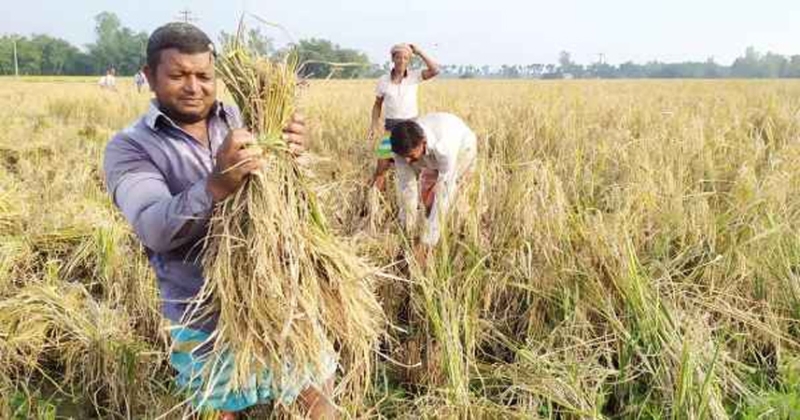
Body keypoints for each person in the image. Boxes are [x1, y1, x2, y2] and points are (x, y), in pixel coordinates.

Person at [103, 22, 336, 420]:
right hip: (203, 314)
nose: (194, 86)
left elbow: (291, 201)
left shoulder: (249, 119)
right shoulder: (129, 147)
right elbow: (153, 227)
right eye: (178, 75)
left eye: (204, 75)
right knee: (216, 413)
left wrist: (292, 158)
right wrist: (215, 185)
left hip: (283, 301)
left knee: (317, 400)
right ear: (149, 77)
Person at [389, 113, 477, 263]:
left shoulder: (444, 146)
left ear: (423, 142)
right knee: (428, 197)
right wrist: (406, 229)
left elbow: (445, 193)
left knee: (454, 195)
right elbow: (407, 187)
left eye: (410, 156)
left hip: (463, 147)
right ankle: (419, 231)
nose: (407, 161)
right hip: (428, 153)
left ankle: (456, 234)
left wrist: (427, 243)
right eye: (404, 156)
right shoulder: (402, 151)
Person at [369, 43, 439, 191]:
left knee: (417, 167)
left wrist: (419, 51)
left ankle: (420, 205)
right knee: (381, 167)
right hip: (391, 130)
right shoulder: (383, 81)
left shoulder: (414, 76)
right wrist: (373, 124)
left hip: (411, 130)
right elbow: (377, 105)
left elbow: (435, 70)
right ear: (393, 59)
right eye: (398, 57)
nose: (402, 61)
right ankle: (373, 204)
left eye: (406, 58)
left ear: (409, 61)